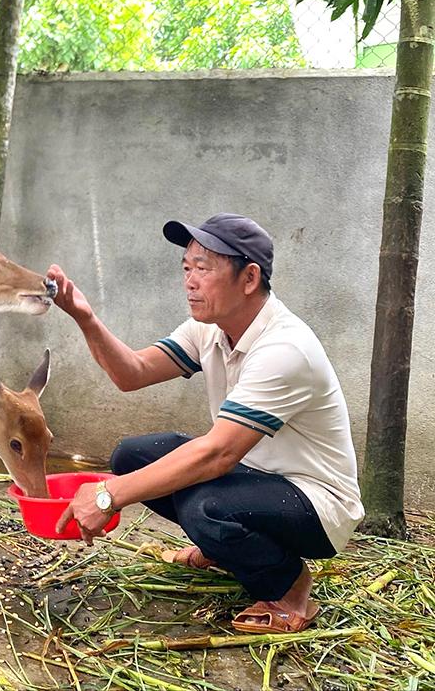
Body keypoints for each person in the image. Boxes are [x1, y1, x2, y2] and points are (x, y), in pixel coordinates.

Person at [50, 213, 363, 633]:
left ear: (249, 278)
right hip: (257, 478)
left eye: (204, 268)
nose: (189, 280)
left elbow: (218, 454)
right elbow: (133, 372)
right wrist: (85, 318)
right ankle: (231, 553)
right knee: (133, 456)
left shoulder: (284, 348)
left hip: (316, 504)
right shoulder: (211, 328)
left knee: (205, 508)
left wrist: (107, 496)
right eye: (186, 267)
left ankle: (290, 590)